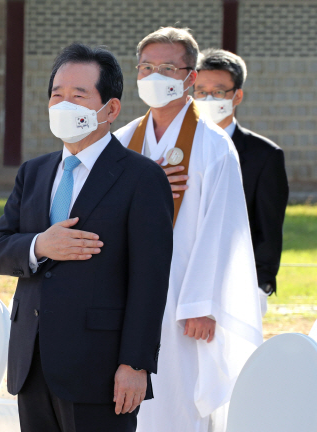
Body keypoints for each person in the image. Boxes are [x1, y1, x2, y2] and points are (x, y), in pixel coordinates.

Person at [0, 43, 174, 432]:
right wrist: (40, 245)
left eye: (78, 95)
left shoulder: (141, 178)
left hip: (100, 370)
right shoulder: (33, 173)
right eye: (57, 95)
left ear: (110, 109)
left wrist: (136, 364)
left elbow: (150, 281)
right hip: (32, 363)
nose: (64, 104)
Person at [114, 27, 264, 432]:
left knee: (174, 399)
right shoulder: (122, 139)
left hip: (182, 299)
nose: (154, 76)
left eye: (167, 67)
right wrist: (146, 183)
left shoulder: (214, 146)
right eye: (146, 67)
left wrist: (202, 302)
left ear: (189, 78)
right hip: (122, 292)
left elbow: (223, 228)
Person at [195, 48, 289, 316]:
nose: (208, 98)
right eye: (200, 91)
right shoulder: (178, 147)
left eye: (219, 91)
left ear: (237, 95)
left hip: (236, 284)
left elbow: (268, 229)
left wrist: (260, 286)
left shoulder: (265, 155)